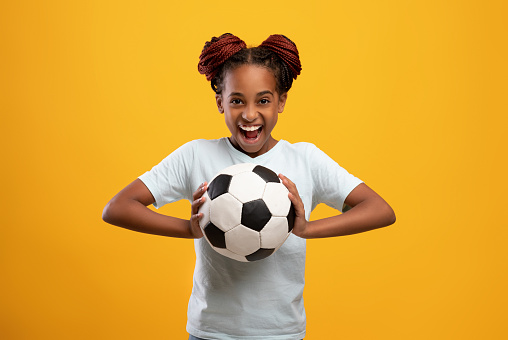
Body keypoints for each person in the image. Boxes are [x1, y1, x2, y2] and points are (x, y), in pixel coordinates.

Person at [102, 33, 396, 340]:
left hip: (282, 333)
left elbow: (380, 211)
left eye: (264, 101)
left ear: (281, 102)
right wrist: (188, 229)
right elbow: (117, 208)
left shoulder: (305, 159)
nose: (250, 114)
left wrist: (307, 229)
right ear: (220, 103)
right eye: (237, 101)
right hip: (211, 332)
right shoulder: (196, 155)